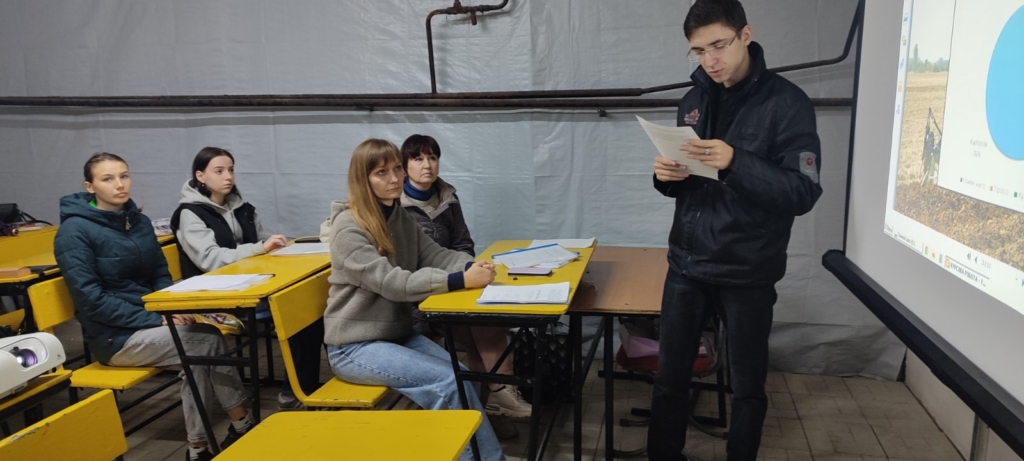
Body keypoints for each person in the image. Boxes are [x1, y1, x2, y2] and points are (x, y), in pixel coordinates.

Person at [649, 1, 823, 460]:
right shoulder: (693, 101)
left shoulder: (787, 103)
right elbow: (687, 181)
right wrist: (665, 177)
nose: (710, 60)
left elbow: (803, 192)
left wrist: (735, 162)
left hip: (747, 270)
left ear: (746, 35)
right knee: (669, 380)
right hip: (686, 265)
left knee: (746, 387)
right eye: (698, 51)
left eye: (719, 45)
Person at [54, 152, 254, 461]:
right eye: (108, 179)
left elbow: (159, 274)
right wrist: (155, 319)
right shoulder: (74, 232)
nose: (120, 184)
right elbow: (90, 300)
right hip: (113, 337)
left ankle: (202, 446)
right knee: (204, 341)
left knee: (198, 344)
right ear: (90, 187)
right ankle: (237, 427)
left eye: (124, 176)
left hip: (151, 320)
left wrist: (170, 309)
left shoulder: (139, 222)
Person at [323, 138, 506, 461]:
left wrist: (474, 267)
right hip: (354, 346)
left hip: (394, 335)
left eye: (396, 169)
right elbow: (393, 284)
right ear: (363, 179)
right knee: (448, 382)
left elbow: (434, 254)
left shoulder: (397, 216)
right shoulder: (349, 228)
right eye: (382, 172)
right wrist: (459, 280)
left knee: (460, 374)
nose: (395, 178)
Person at [170, 147, 322, 411]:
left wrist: (272, 247)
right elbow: (210, 259)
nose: (228, 176)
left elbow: (262, 244)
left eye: (231, 170)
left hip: (250, 286)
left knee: (309, 307)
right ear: (200, 176)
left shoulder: (241, 207)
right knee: (296, 311)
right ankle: (295, 393)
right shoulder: (190, 213)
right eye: (219, 171)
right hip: (214, 298)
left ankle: (302, 389)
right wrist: (259, 248)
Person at [399, 134, 532, 431]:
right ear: (404, 166)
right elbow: (403, 266)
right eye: (418, 159)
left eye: (433, 158)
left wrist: (471, 270)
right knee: (479, 323)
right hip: (415, 295)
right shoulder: (395, 206)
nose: (427, 165)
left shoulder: (448, 197)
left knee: (484, 313)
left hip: (451, 283)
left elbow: (462, 243)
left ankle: (487, 409)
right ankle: (496, 394)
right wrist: (457, 278)